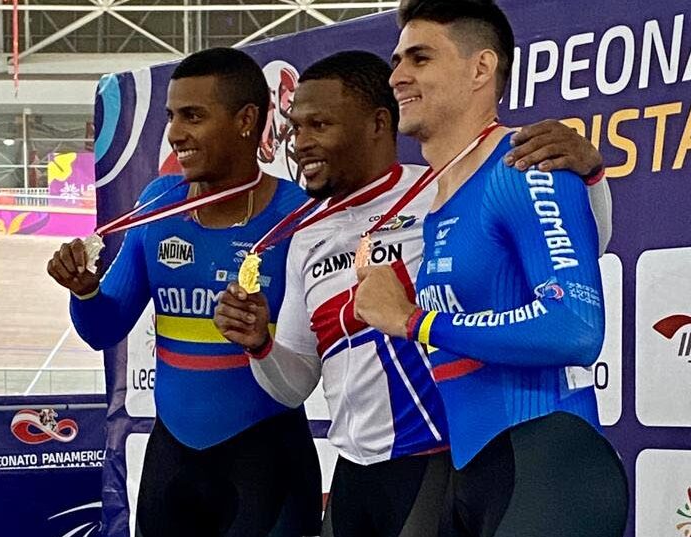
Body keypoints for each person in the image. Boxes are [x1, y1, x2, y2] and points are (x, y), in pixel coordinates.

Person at [214, 50, 612, 537]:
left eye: (318, 125)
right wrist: (260, 344)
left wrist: (591, 177)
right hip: (352, 474)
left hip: (436, 463)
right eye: (296, 128)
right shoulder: (305, 237)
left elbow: (579, 245)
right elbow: (296, 384)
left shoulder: (441, 192)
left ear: (378, 123)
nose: (300, 144)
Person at [353, 2, 629, 537]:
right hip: (474, 471)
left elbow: (573, 327)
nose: (397, 76)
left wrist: (414, 321)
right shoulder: (437, 200)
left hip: (548, 467)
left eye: (420, 58)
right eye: (396, 60)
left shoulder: (526, 163)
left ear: (481, 69)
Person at [46, 48, 321, 537]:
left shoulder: (299, 217)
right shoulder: (158, 204)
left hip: (267, 461)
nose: (175, 132)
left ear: (246, 120)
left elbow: (313, 365)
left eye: (193, 116)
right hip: (173, 459)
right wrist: (85, 291)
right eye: (172, 115)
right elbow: (103, 328)